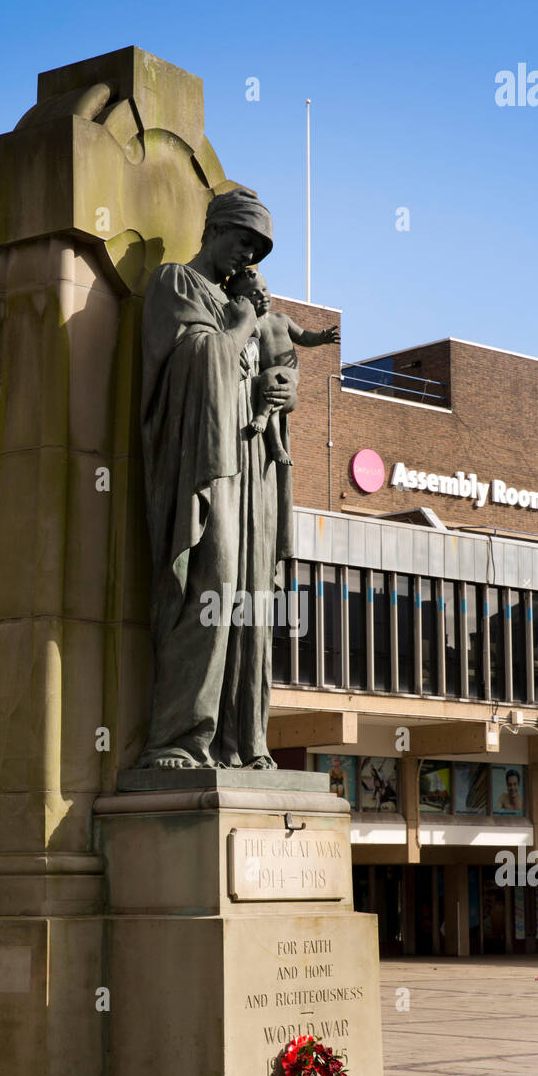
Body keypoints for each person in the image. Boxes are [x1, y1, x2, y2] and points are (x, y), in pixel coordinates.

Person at [136, 189, 295, 770]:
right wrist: (245, 321)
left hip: (250, 466)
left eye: (257, 249)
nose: (246, 257)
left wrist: (281, 392)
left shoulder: (236, 304)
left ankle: (240, 742)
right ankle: (178, 738)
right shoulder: (176, 283)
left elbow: (254, 377)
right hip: (204, 467)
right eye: (241, 241)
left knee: (252, 602)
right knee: (213, 586)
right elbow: (195, 363)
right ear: (214, 230)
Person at [224, 268, 339, 466]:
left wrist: (321, 338)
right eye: (253, 294)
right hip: (269, 379)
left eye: (264, 289)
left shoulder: (281, 319)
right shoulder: (253, 325)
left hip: (289, 372)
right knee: (273, 404)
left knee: (270, 382)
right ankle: (276, 445)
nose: (262, 296)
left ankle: (261, 415)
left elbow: (303, 336)